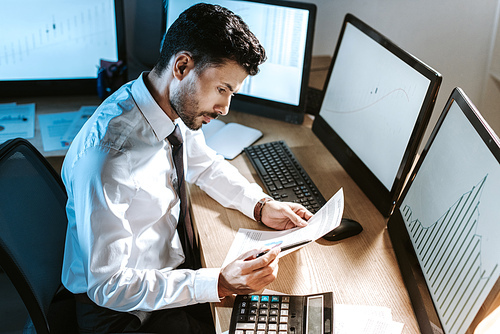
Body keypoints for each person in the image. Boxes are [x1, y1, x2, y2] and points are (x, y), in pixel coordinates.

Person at [61, 3, 312, 333]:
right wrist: (219, 282)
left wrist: (260, 205)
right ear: (182, 66)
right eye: (222, 89)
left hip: (165, 273)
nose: (224, 107)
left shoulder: (164, 108)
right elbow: (109, 285)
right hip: (122, 311)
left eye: (231, 93)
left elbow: (204, 165)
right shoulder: (110, 157)